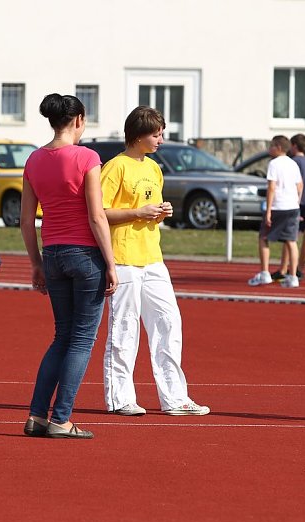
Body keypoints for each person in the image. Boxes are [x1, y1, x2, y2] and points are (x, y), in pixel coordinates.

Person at [21, 93, 118, 439]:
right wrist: (111, 263)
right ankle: (61, 418)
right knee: (81, 339)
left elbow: (25, 220)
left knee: (62, 336)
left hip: (54, 254)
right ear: (78, 120)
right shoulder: (87, 157)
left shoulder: (33, 160)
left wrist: (35, 264)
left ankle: (36, 415)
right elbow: (96, 216)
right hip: (86, 254)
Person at [101, 106, 209, 417]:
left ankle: (175, 398)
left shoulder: (153, 168)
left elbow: (147, 209)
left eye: (161, 133)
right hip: (123, 259)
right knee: (124, 328)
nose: (161, 139)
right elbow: (100, 213)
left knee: (168, 322)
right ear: (137, 135)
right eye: (155, 134)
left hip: (152, 258)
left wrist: (161, 212)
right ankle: (120, 398)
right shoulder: (115, 168)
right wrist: (137, 213)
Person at [270, 133, 305, 284]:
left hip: (298, 203)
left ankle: (285, 270)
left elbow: (296, 184)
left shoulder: (294, 162)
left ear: (294, 146)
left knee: (289, 237)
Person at [248, 135, 303, 288]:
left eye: (271, 146)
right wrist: (297, 203)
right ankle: (293, 276)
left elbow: (272, 187)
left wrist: (268, 210)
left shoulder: (273, 164)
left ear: (278, 147)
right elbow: (300, 186)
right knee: (291, 241)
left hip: (278, 206)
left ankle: (265, 272)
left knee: (263, 237)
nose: (269, 149)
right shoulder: (293, 164)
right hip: (292, 207)